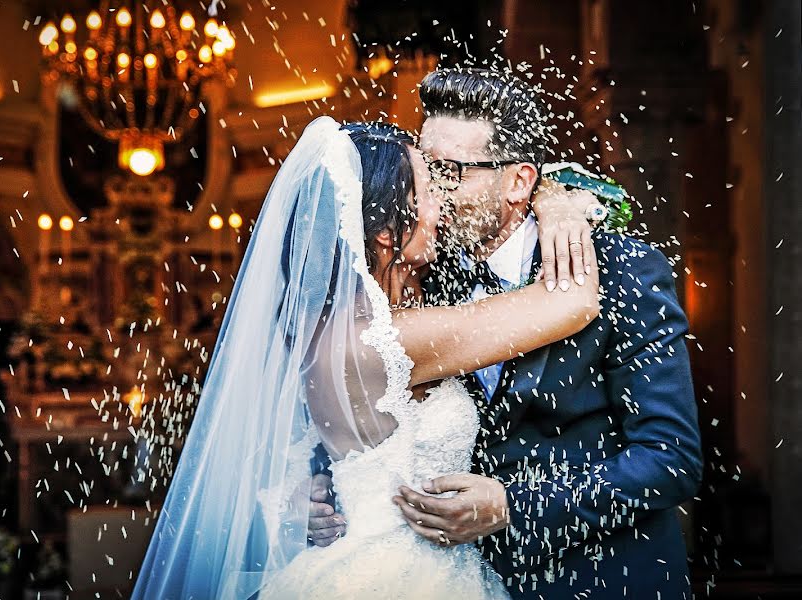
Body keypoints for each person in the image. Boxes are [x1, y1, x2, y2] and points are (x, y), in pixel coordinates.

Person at [130, 113, 602, 599]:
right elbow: (575, 301)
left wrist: (302, 497)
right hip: (412, 575)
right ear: (384, 232)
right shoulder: (392, 340)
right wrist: (553, 201)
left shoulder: (321, 330)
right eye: (427, 193)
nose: (441, 204)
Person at [312, 68, 704, 600]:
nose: (434, 192)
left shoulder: (620, 270)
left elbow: (669, 459)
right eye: (426, 171)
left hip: (602, 580)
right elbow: (361, 405)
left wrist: (512, 507)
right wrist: (316, 489)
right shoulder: (417, 272)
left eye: (450, 172)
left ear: (520, 182)